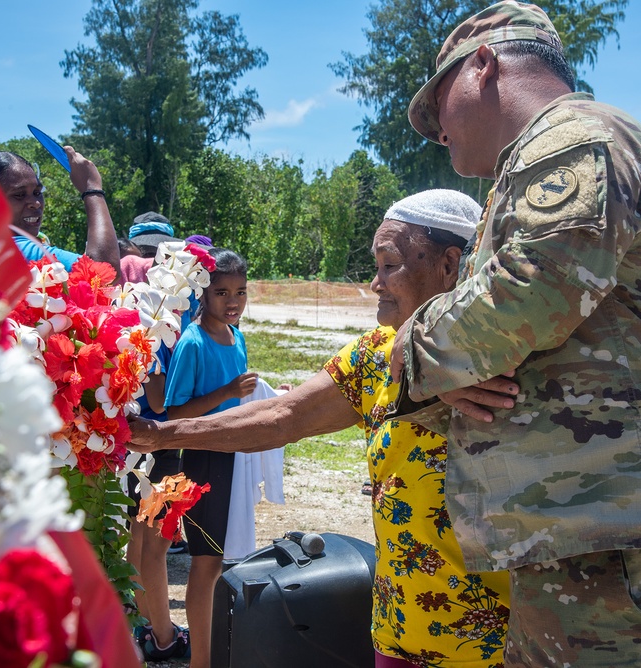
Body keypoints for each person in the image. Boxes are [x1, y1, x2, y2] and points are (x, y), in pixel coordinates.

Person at [387, 2, 641, 666]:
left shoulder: (577, 137)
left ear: (484, 64)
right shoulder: (540, 160)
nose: (434, 130)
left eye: (436, 102)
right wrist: (455, 374)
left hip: (628, 538)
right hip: (593, 534)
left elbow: (529, 293)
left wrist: (412, 352)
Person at [130, 190, 515, 668]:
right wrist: (161, 435)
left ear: (450, 265)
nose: (375, 283)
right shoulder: (377, 353)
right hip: (398, 631)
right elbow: (285, 415)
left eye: (389, 265)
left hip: (491, 642)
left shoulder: (509, 360)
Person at [162, 247, 258, 668]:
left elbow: (239, 399)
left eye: (240, 292)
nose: (232, 301)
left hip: (232, 456)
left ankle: (213, 654)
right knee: (205, 562)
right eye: (221, 292)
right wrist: (227, 393)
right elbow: (174, 413)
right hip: (201, 462)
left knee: (221, 561)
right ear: (203, 292)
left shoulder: (237, 338)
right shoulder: (192, 342)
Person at [125, 343, 190, 661]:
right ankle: (164, 636)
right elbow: (158, 400)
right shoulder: (157, 336)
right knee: (157, 545)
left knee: (138, 537)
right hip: (158, 439)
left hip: (136, 437)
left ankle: (146, 624)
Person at [0, 149, 123, 278]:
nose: (36, 203)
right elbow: (105, 273)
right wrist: (92, 188)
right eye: (19, 195)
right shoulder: (13, 249)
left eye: (37, 193)